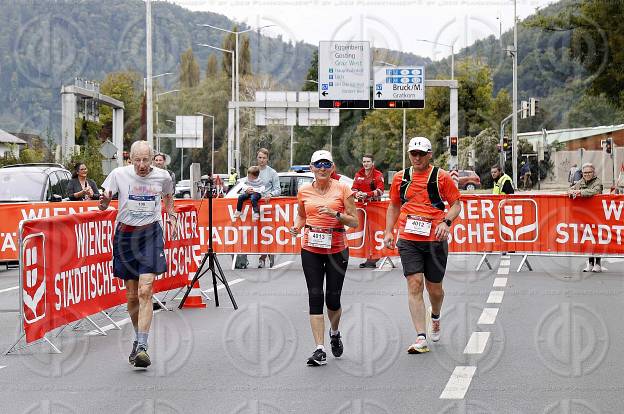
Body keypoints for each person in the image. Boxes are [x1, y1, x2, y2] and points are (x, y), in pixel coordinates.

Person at [99, 140, 177, 368]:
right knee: (132, 295)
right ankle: (137, 338)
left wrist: (170, 215)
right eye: (137, 161)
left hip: (151, 234)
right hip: (125, 236)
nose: (141, 165)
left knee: (146, 291)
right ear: (129, 159)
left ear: (152, 159)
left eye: (146, 160)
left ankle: (142, 346)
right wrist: (104, 202)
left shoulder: (163, 177)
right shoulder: (118, 174)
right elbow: (103, 205)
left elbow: (168, 197)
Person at [383, 137, 461, 354]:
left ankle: (435, 315)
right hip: (409, 238)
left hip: (435, 238)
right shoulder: (400, 178)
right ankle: (420, 336)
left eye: (420, 154)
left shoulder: (441, 177)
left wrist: (446, 222)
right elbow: (394, 205)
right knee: (415, 283)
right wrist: (389, 231)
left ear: (429, 155)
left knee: (434, 289)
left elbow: (456, 204)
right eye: (413, 154)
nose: (416, 157)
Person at [290, 150, 359, 366]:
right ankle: (319, 349)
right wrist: (296, 227)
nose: (322, 168)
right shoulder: (303, 191)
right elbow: (302, 215)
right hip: (310, 247)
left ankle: (335, 332)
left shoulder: (343, 189)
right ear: (311, 168)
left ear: (333, 167)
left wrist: (335, 214)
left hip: (336, 249)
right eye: (318, 164)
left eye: (326, 164)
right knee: (315, 296)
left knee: (333, 299)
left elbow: (354, 222)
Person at [568, 163, 604, 272]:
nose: (587, 174)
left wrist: (579, 192)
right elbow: (571, 188)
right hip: (585, 215)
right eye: (585, 173)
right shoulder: (581, 182)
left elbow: (594, 191)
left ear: (593, 173)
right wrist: (571, 191)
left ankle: (598, 264)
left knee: (596, 239)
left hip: (597, 215)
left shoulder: (597, 182)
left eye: (589, 172)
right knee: (588, 239)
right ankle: (590, 263)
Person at [351, 154, 385, 268]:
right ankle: (368, 257)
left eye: (368, 162)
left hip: (375, 207)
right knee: (365, 233)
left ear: (373, 163)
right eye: (364, 161)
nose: (365, 164)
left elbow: (380, 191)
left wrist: (367, 194)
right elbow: (353, 189)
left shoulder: (378, 175)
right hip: (362, 208)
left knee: (375, 232)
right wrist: (357, 194)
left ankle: (375, 257)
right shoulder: (358, 174)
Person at [256, 148, 281, 268]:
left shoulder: (272, 173)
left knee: (268, 232)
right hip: (255, 206)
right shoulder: (253, 171)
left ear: (267, 159)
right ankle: (261, 256)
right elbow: (247, 184)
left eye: (264, 158)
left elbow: (278, 189)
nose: (261, 160)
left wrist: (270, 194)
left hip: (269, 206)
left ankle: (265, 255)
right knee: (257, 232)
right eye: (260, 157)